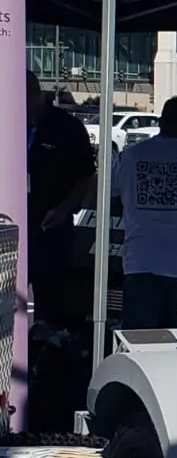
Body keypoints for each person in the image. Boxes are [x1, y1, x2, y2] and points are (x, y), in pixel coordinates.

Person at [45, 97, 177, 333]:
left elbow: (103, 191)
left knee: (139, 345)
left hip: (140, 263)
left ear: (161, 122)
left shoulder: (131, 157)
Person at [26, 71, 96, 327]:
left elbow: (85, 176)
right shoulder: (8, 122)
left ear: (36, 95)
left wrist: (64, 209)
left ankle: (46, 353)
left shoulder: (66, 127)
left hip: (50, 226)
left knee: (50, 299)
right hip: (10, 227)